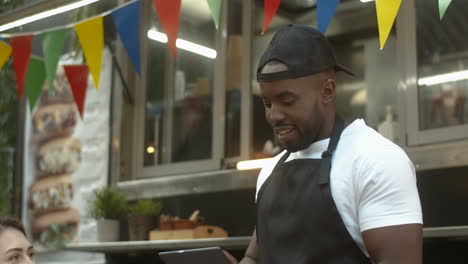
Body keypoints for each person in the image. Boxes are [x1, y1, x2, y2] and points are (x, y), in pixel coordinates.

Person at [231, 24, 423, 264]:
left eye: (287, 100)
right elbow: (254, 257)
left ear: (327, 91)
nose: (274, 116)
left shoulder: (376, 159)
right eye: (268, 103)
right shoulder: (270, 171)